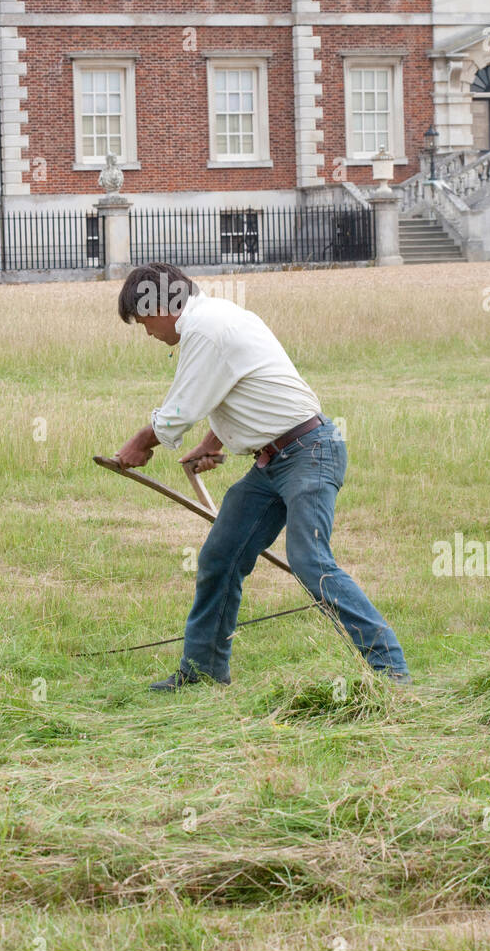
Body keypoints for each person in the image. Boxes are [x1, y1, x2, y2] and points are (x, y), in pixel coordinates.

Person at [114, 262, 411, 692]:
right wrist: (213, 442)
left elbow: (180, 411)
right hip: (273, 462)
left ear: (160, 304)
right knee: (221, 557)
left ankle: (390, 671)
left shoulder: (206, 327)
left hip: (309, 453)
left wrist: (141, 442)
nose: (147, 332)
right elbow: (238, 385)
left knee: (311, 562)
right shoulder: (217, 319)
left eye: (144, 321)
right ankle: (203, 672)